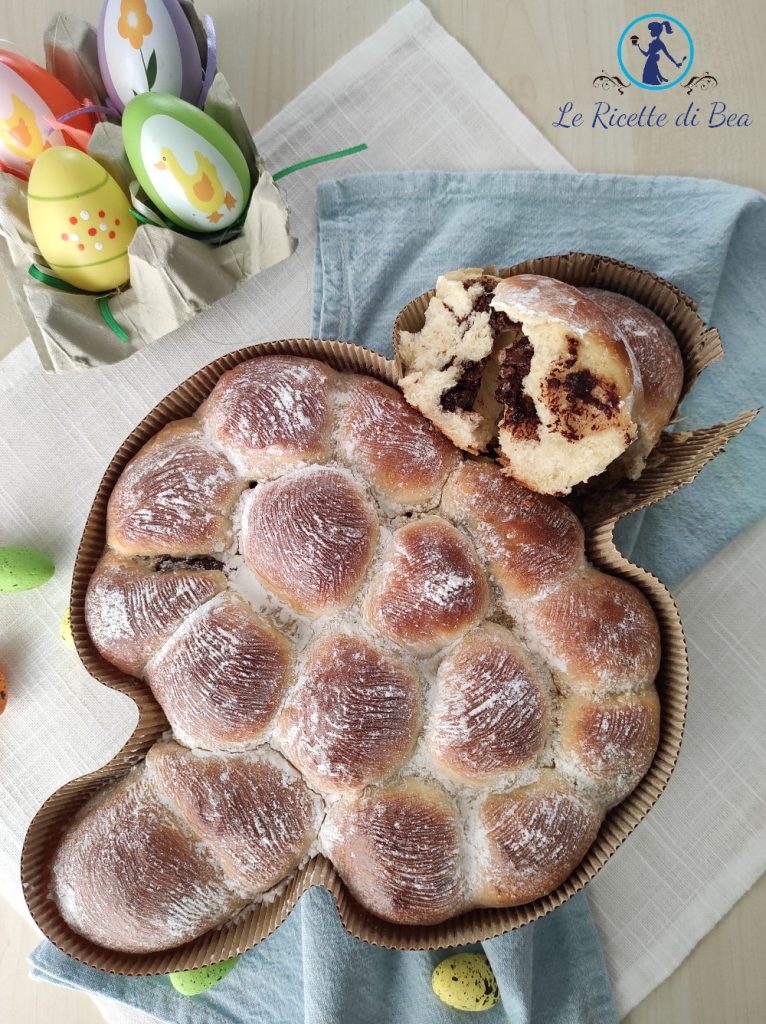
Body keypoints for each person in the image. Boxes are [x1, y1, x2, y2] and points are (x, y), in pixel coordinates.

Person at [633, 21, 684, 85]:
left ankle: (661, 79)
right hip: (649, 62)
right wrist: (638, 47)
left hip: (651, 62)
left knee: (651, 80)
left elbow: (667, 55)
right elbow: (646, 54)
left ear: (656, 31)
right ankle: (661, 79)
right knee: (650, 80)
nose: (650, 32)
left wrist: (675, 63)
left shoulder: (660, 43)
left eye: (652, 30)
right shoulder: (655, 42)